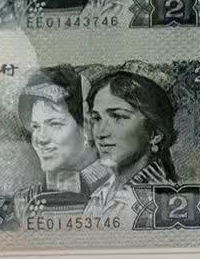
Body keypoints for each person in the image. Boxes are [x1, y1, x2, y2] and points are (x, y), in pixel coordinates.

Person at [83, 70, 179, 222]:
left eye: (118, 117)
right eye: (96, 118)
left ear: (155, 134)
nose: (101, 133)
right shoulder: (101, 194)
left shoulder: (163, 202)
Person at [16, 68, 112, 209]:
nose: (41, 139)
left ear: (87, 127)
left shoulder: (120, 191)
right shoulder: (25, 201)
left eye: (55, 124)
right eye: (36, 126)